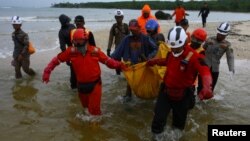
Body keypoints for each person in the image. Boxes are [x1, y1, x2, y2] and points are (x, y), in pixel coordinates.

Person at [147, 26, 213, 137]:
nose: (173, 50)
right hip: (166, 92)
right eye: (172, 47)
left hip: (183, 96)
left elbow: (204, 70)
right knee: (157, 121)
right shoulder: (171, 52)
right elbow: (166, 61)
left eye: (176, 47)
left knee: (178, 126)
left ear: (184, 43)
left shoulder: (195, 56)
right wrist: (153, 62)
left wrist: (207, 86)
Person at [42, 29, 126, 116]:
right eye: (75, 42)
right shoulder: (71, 52)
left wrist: (120, 65)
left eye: (80, 41)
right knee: (86, 110)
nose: (77, 44)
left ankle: (95, 127)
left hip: (95, 85)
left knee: (94, 114)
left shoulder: (95, 51)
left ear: (86, 40)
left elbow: (108, 62)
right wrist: (47, 71)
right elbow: (56, 60)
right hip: (81, 86)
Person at [111, 19, 158, 101]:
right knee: (130, 83)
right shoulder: (127, 39)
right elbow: (116, 53)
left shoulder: (146, 38)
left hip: (143, 66)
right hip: (131, 66)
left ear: (139, 28)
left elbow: (156, 49)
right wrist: (110, 59)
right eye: (131, 30)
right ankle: (128, 96)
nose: (133, 32)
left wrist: (149, 57)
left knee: (144, 85)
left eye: (135, 30)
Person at [203, 22, 234, 91]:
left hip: (215, 69)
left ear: (226, 35)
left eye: (222, 35)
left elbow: (230, 57)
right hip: (204, 67)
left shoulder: (227, 45)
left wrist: (231, 69)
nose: (220, 36)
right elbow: (201, 49)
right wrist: (206, 43)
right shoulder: (210, 39)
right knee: (201, 86)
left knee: (211, 88)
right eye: (219, 34)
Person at [107, 9, 130, 75]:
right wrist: (108, 49)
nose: (119, 18)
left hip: (126, 48)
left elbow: (130, 38)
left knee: (127, 63)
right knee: (117, 64)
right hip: (117, 48)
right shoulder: (114, 27)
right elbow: (111, 38)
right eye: (117, 17)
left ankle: (127, 76)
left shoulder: (126, 26)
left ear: (122, 17)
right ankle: (118, 77)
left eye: (120, 17)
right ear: (115, 17)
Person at [58, 14, 77, 89]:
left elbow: (62, 47)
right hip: (78, 49)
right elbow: (62, 47)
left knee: (73, 72)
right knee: (77, 71)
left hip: (71, 52)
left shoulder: (61, 32)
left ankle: (73, 87)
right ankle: (75, 87)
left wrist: (67, 59)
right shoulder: (72, 26)